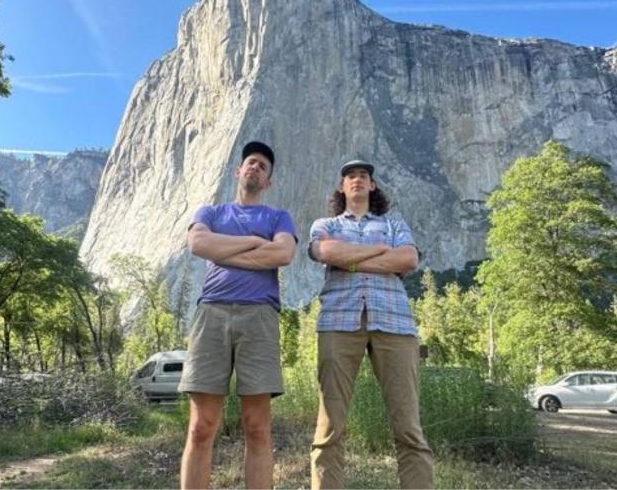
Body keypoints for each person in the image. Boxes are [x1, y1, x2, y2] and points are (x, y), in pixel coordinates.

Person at [308, 159, 434, 489]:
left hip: (395, 323)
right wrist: (380, 254)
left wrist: (351, 259)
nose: (357, 179)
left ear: (372, 185)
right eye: (350, 175)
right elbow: (325, 251)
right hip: (338, 320)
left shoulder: (394, 223)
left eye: (364, 175)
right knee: (329, 427)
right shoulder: (326, 223)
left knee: (408, 427)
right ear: (341, 186)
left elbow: (408, 259)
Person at [179, 141, 298, 489]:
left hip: (260, 316)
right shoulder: (210, 213)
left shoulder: (278, 217)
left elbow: (284, 254)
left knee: (257, 426)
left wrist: (224, 251)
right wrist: (256, 243)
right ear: (238, 171)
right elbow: (199, 245)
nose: (256, 168)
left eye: (263, 166)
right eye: (251, 163)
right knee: (201, 426)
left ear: (269, 181)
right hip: (211, 314)